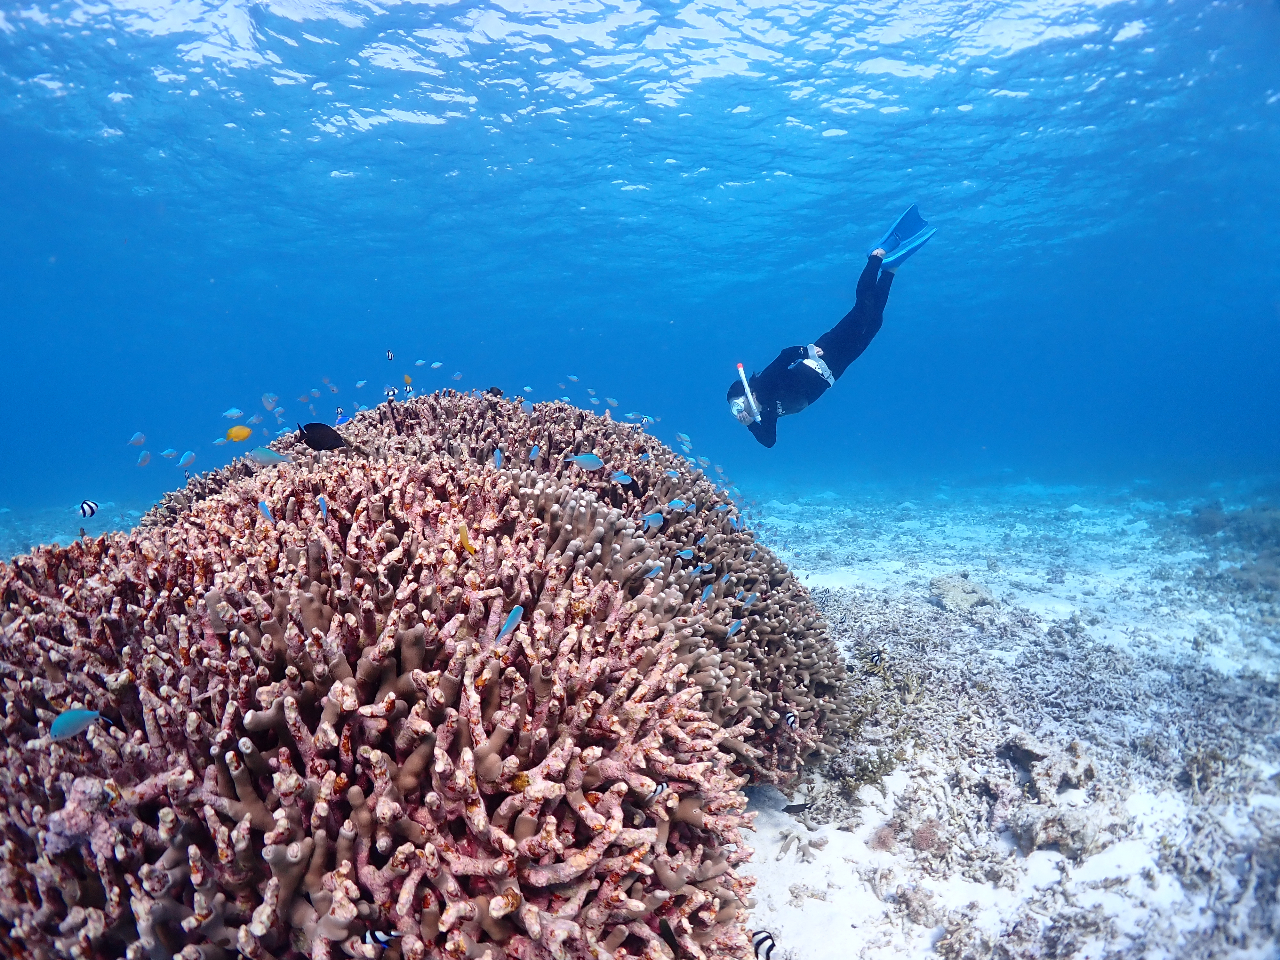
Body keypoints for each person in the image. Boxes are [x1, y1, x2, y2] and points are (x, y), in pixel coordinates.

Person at [727, 248, 897, 448]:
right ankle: (889, 271)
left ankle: (875, 258)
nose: (741, 411)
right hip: (835, 370)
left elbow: (784, 357)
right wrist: (751, 425)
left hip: (823, 355)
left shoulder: (765, 383)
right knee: (874, 323)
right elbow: (769, 441)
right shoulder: (767, 413)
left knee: (862, 311)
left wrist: (806, 351)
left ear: (749, 393)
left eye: (739, 405)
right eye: (736, 410)